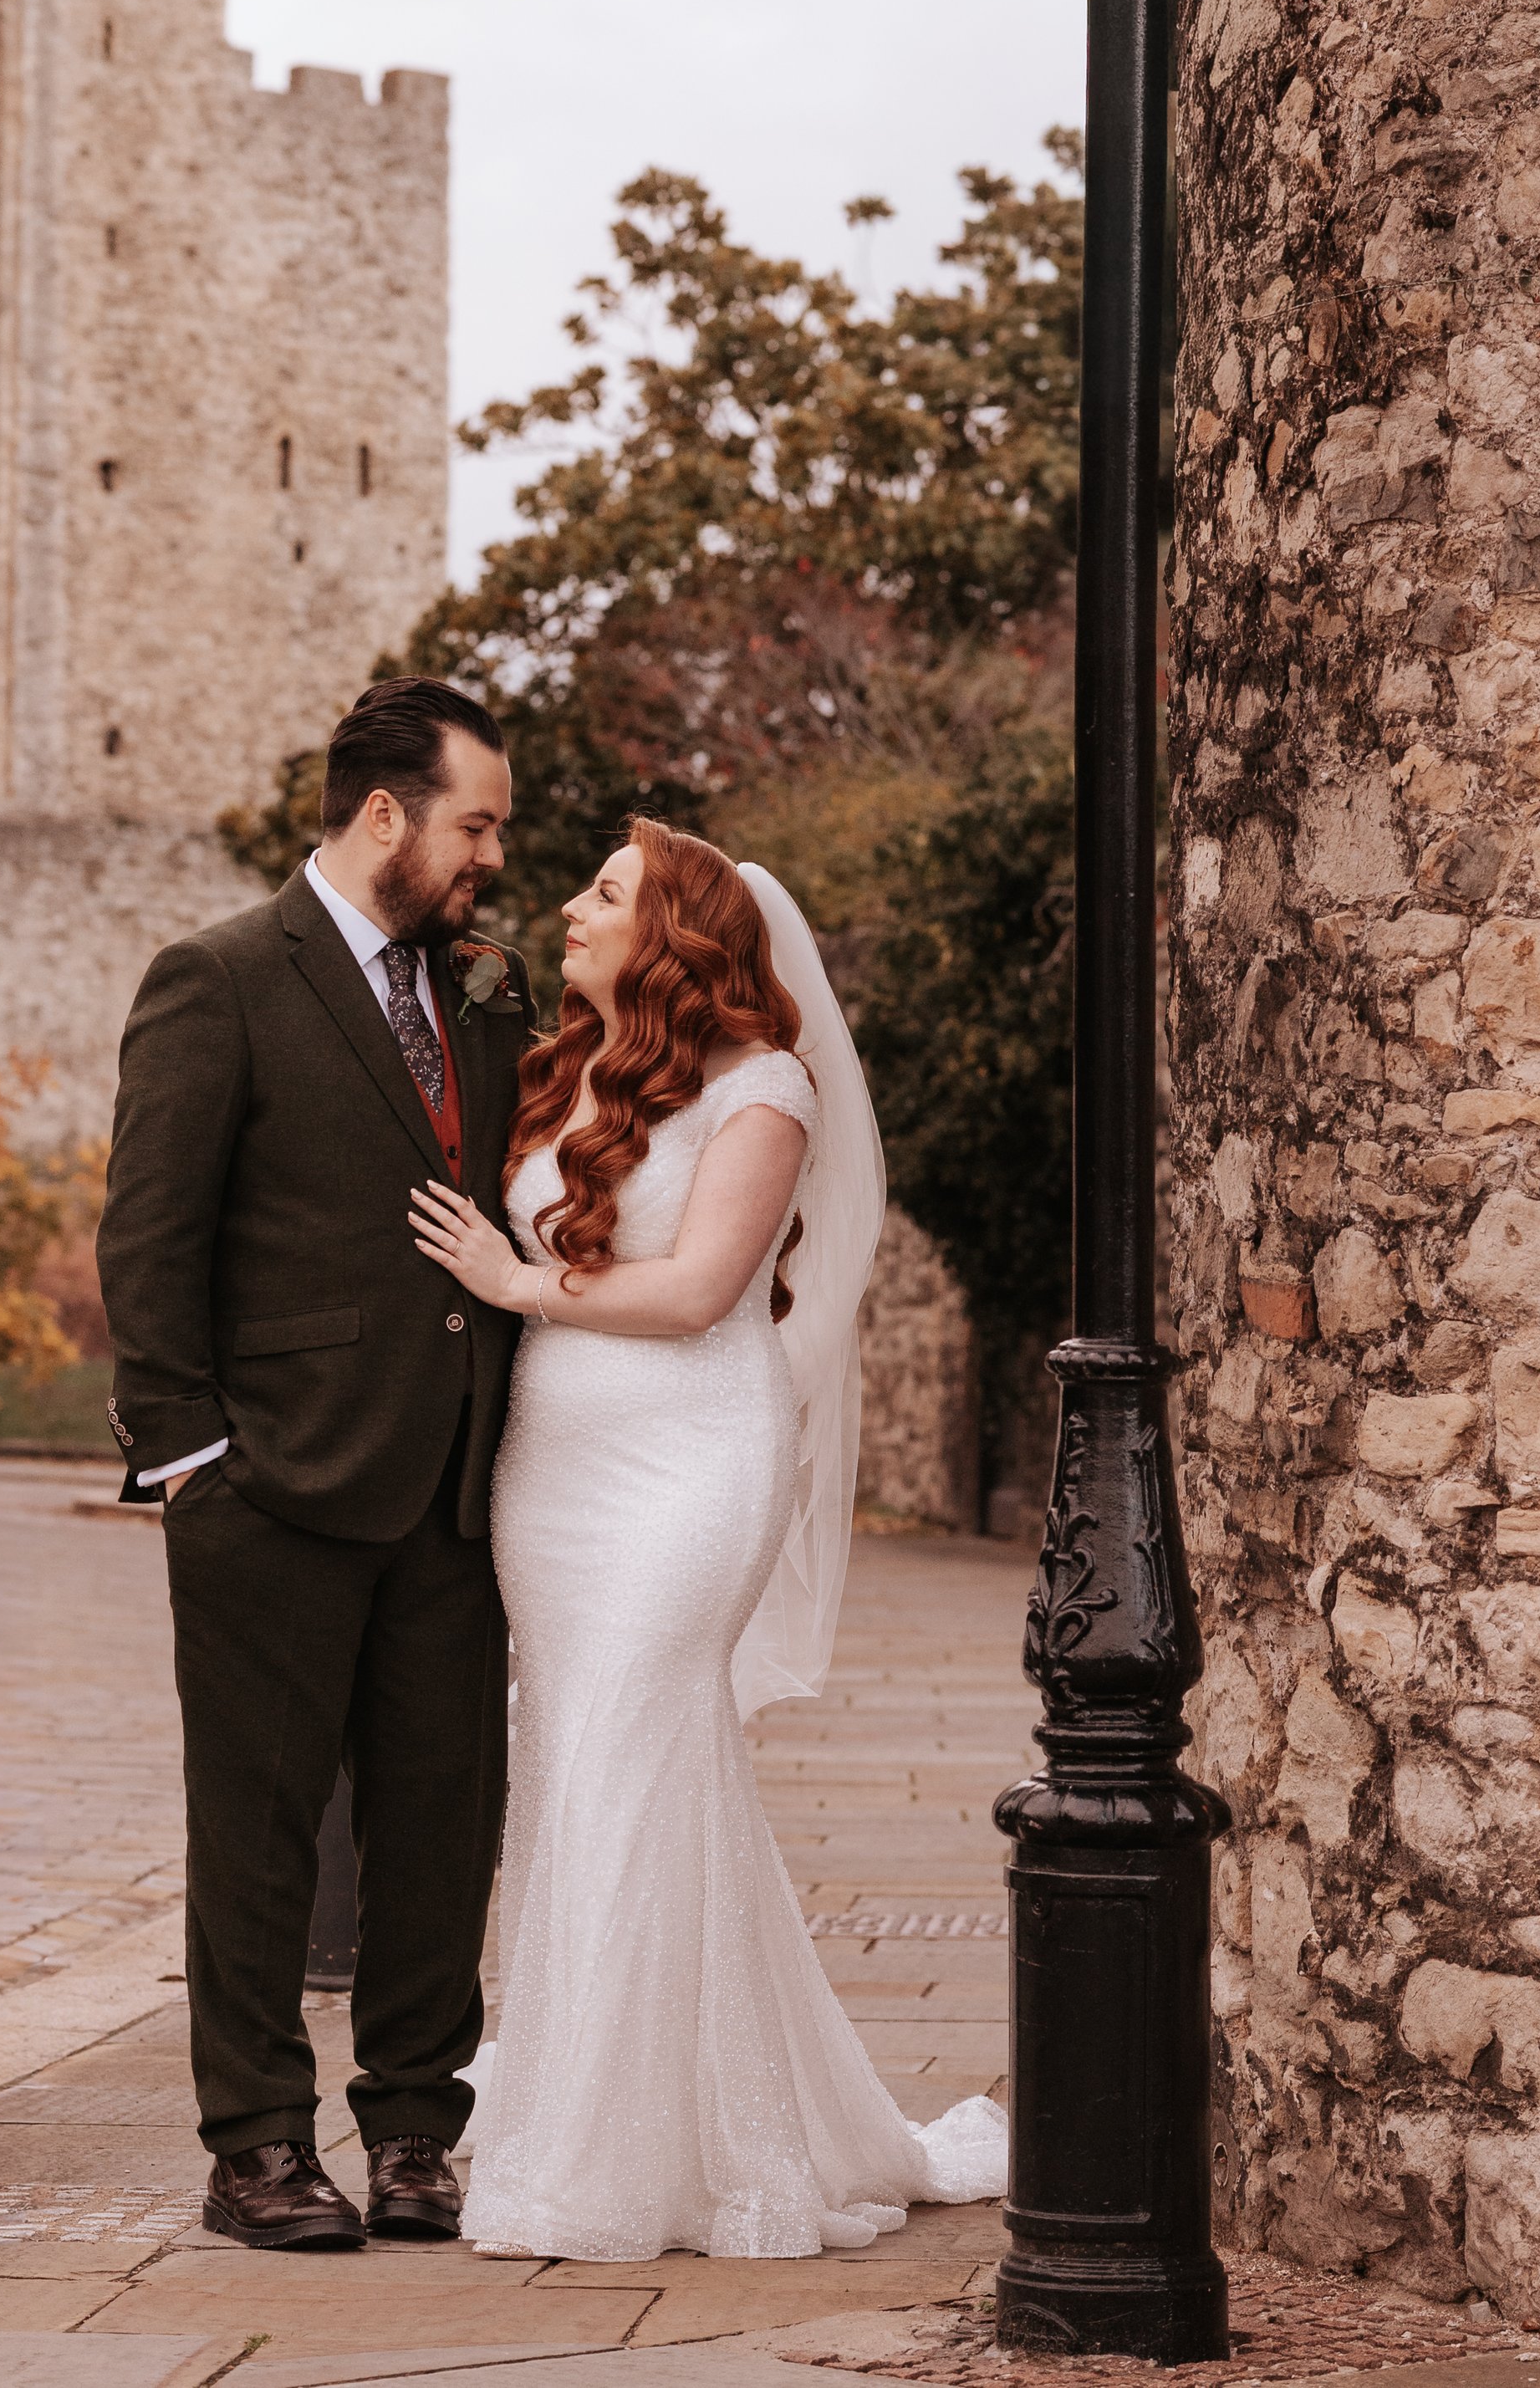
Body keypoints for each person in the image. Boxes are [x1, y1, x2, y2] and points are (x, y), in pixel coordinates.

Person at [409, 816, 1007, 2262]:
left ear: (672, 932)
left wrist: (514, 1279)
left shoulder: (766, 1088)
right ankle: (624, 2105)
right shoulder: (569, 1071)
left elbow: (695, 1291)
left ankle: (606, 2159)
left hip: (689, 1468)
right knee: (580, 1767)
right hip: (555, 1471)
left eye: (606, 890)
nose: (572, 904)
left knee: (626, 1753)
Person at [99, 678, 535, 2253]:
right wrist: (190, 1461)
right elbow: (148, 1238)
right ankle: (258, 2146)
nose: (494, 855)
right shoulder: (217, 977)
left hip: (455, 1489)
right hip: (267, 1487)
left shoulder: (486, 993)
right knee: (258, 1833)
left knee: (439, 1828)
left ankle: (415, 2129)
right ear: (384, 814)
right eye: (476, 823)